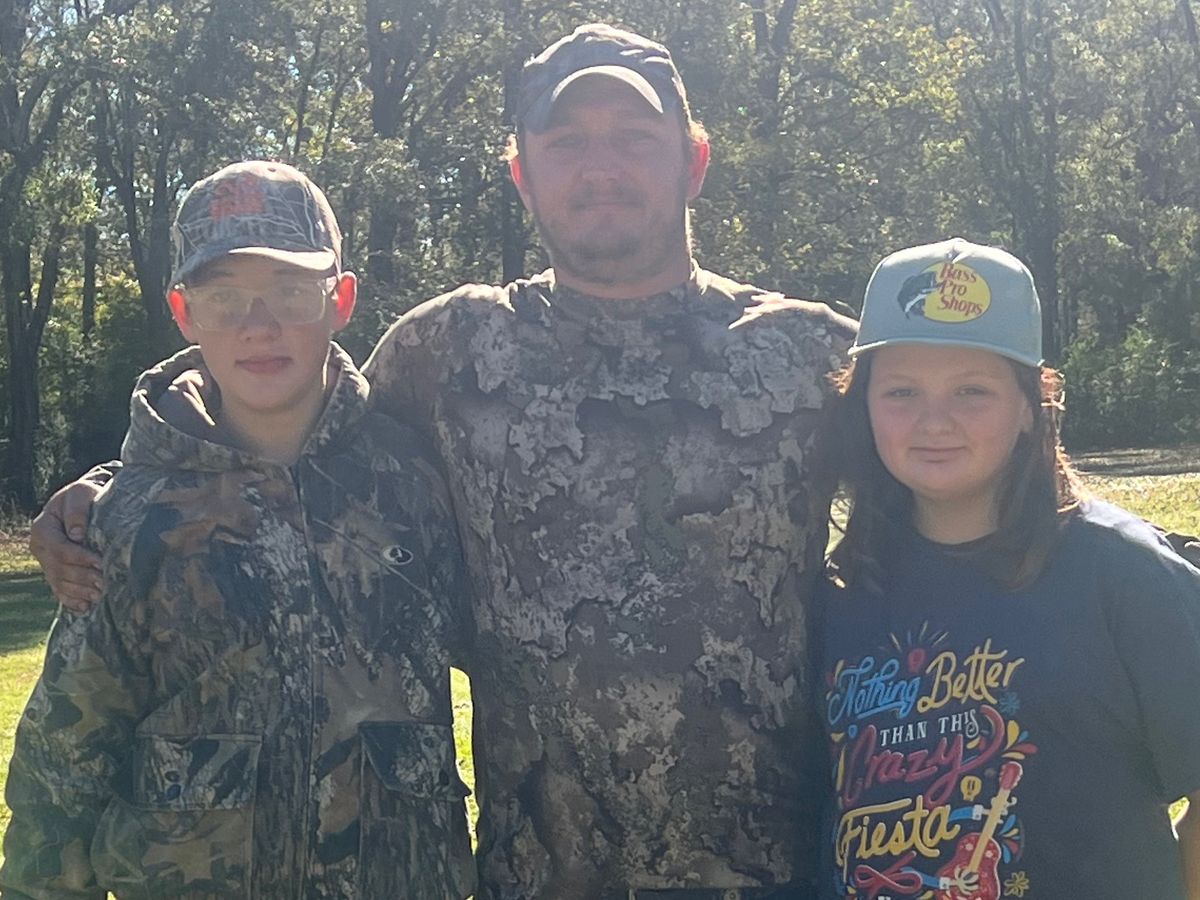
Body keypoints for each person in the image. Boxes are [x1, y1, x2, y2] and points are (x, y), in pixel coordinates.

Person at [29, 24, 856, 898]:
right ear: (521, 174)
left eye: (634, 138)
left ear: (694, 162)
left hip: (775, 878)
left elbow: (949, 467)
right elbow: (290, 439)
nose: (600, 166)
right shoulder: (452, 348)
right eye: (567, 142)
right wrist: (119, 490)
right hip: (537, 882)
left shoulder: (814, 358)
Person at [2, 161, 475, 898]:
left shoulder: (416, 482)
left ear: (341, 300)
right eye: (224, 298)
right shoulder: (128, 518)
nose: (259, 325)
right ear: (184, 313)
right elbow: (62, 772)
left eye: (291, 291)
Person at [810, 237, 1200, 899]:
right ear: (863, 404)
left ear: (1030, 405)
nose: (934, 421)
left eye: (972, 390)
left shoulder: (1126, 575)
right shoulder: (843, 588)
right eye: (901, 391)